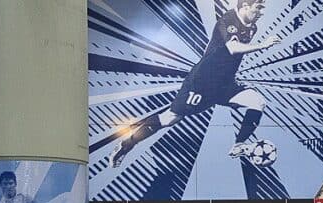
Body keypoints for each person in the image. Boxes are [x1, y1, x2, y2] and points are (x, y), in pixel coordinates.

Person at [109, 0, 282, 168]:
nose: (261, 12)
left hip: (225, 84)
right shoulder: (228, 21)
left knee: (257, 102)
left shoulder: (252, 27)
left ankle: (239, 145)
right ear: (245, 5)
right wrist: (262, 45)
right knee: (170, 118)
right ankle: (127, 144)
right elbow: (232, 47)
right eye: (258, 7)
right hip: (201, 83)